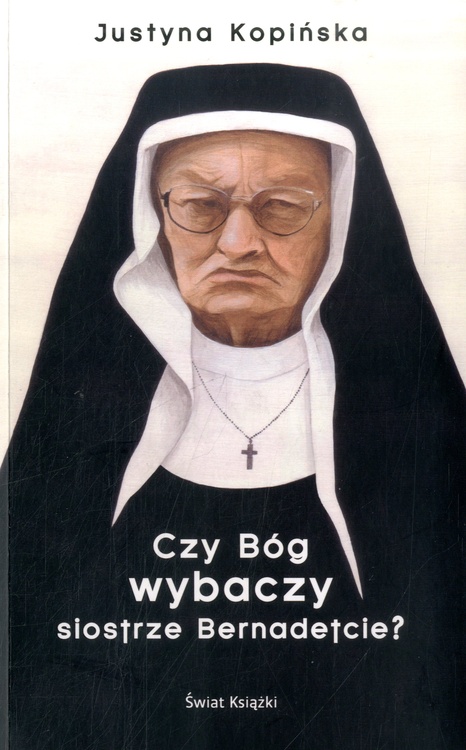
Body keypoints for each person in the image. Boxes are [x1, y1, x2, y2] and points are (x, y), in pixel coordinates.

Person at [7, 64, 465, 749]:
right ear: (152, 219)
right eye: (201, 205)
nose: (239, 243)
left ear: (340, 220)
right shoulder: (79, 426)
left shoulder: (417, 434)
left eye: (282, 206)